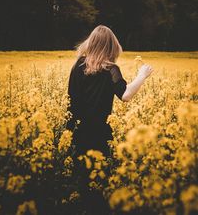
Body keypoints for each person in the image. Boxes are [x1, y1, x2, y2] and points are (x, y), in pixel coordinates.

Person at [66, 25, 154, 214]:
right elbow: (126, 95)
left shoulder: (78, 66)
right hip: (98, 133)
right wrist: (142, 75)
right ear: (111, 47)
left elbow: (71, 98)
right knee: (98, 184)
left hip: (76, 131)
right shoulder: (110, 69)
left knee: (81, 182)